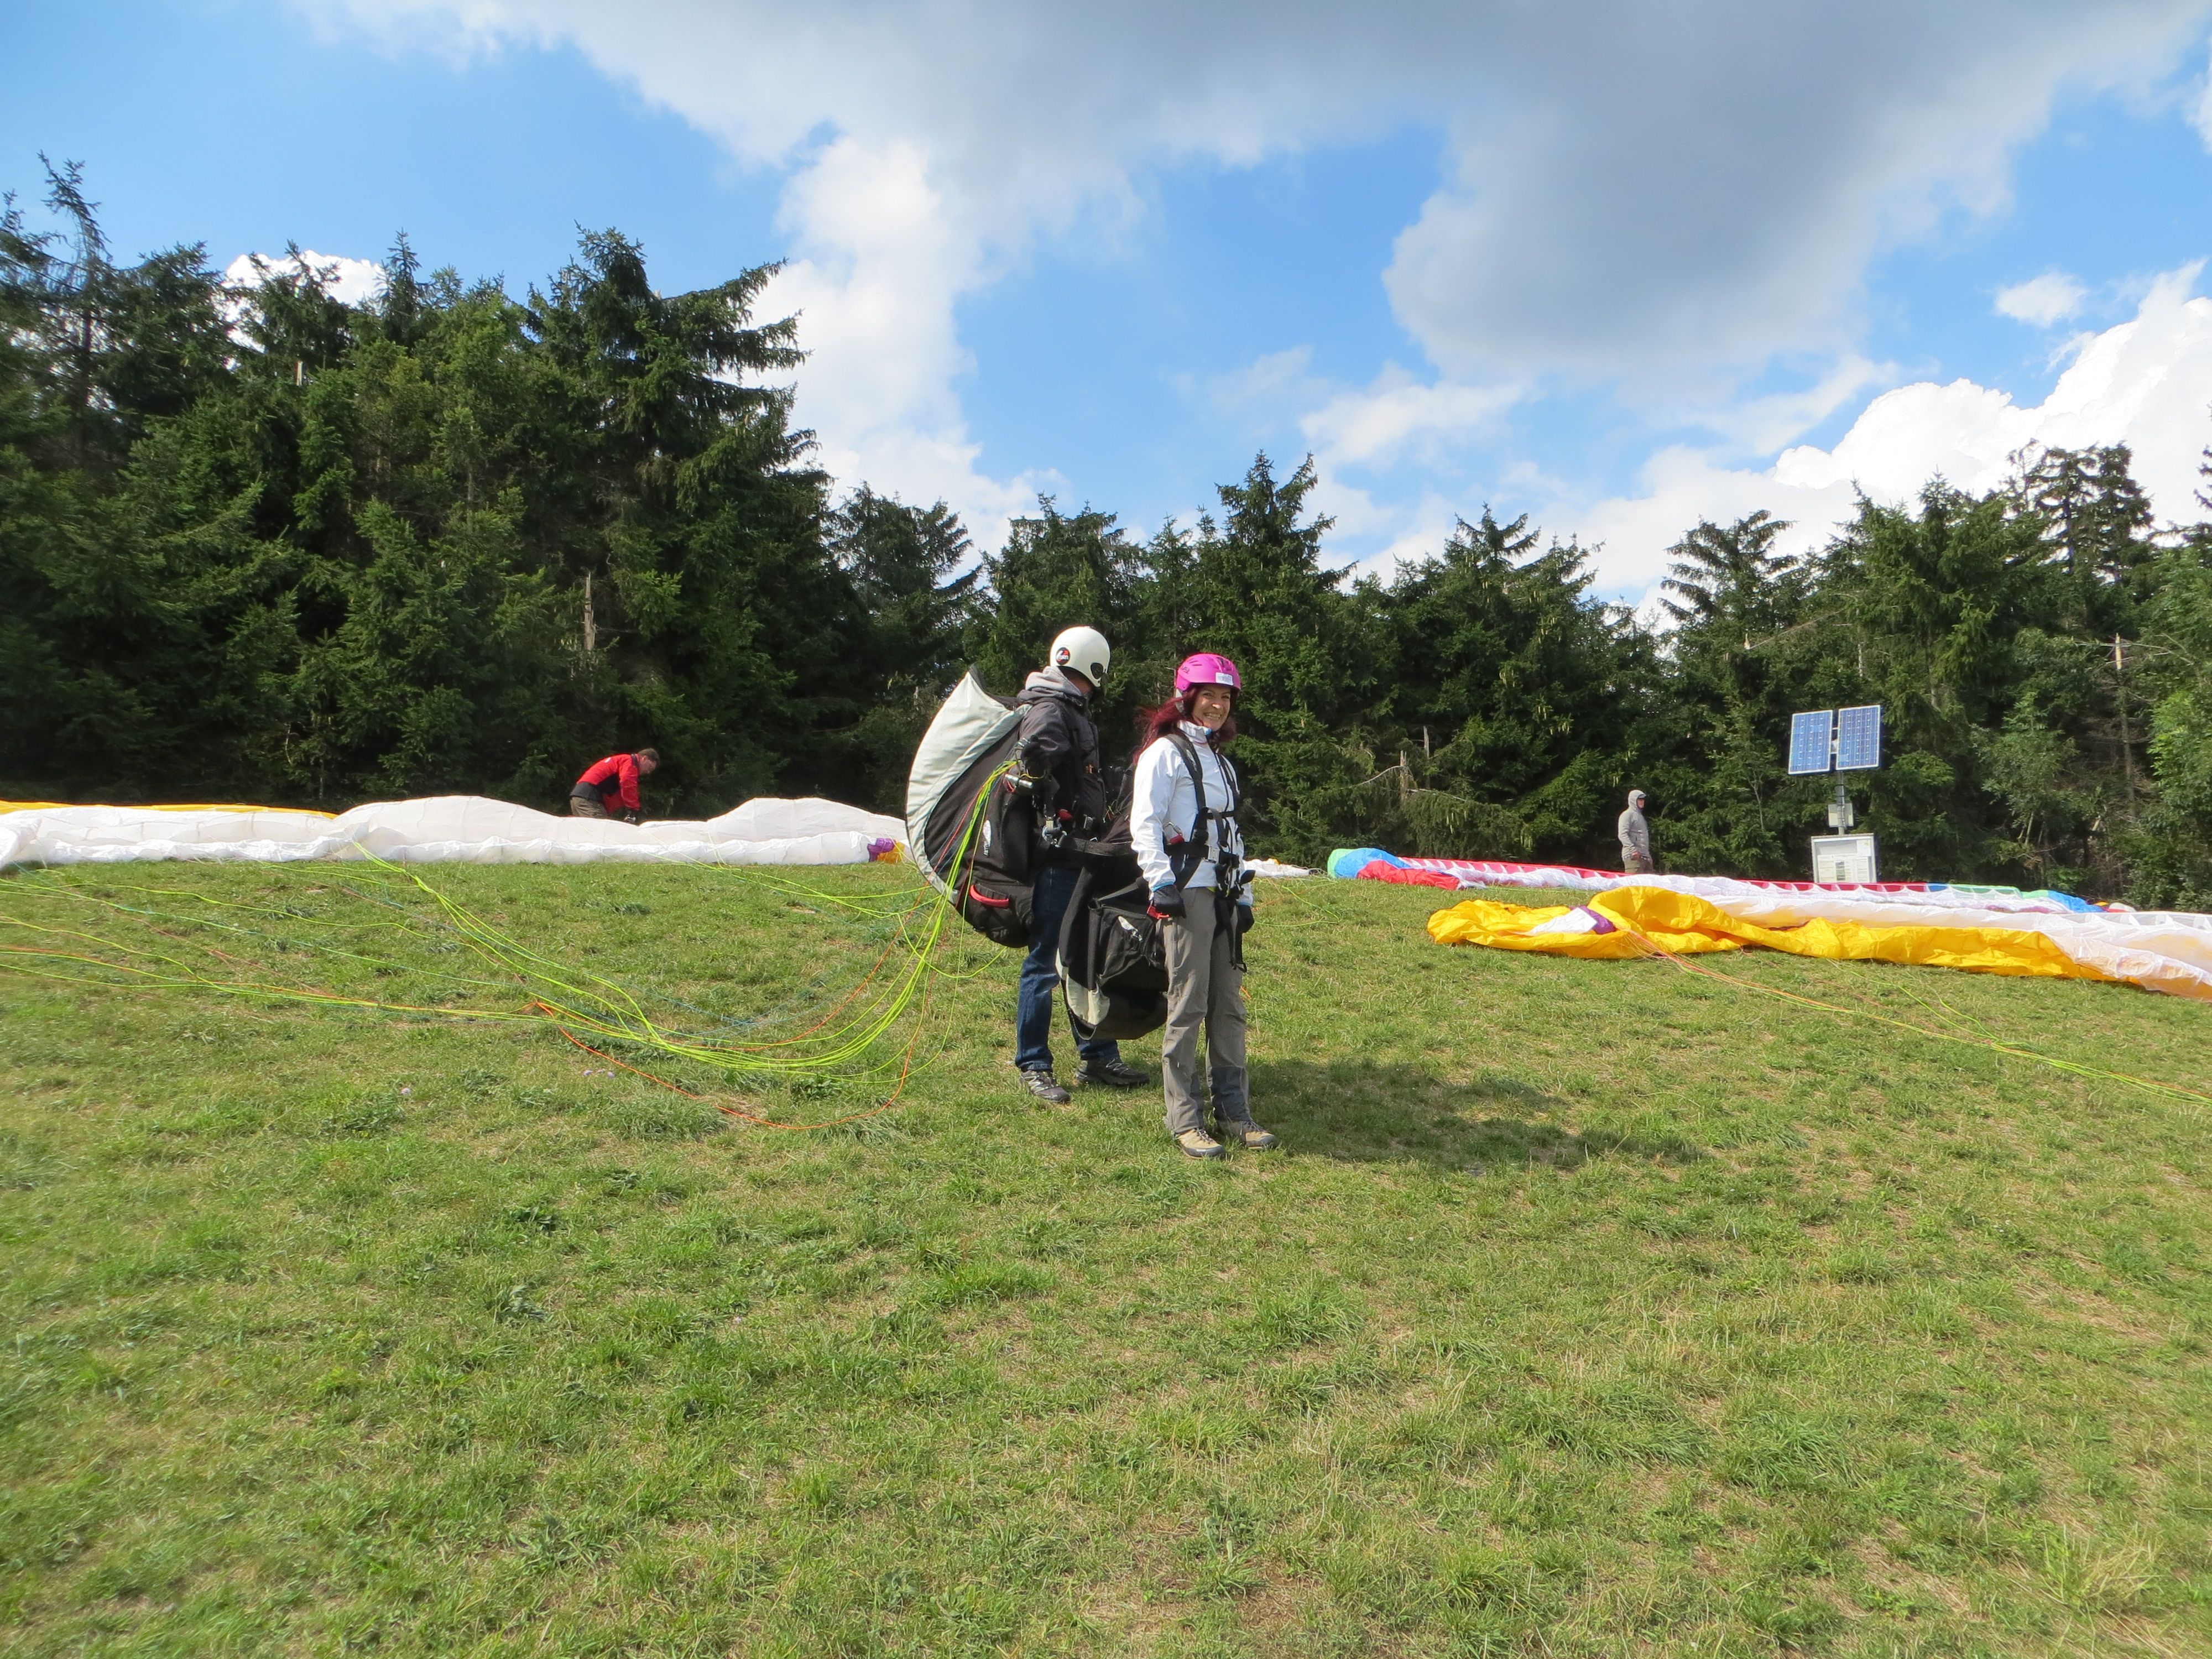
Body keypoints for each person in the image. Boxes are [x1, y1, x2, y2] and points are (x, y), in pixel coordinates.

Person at [1132, 653, 1276, 1160]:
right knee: (1188, 1002)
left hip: (1226, 889)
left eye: (1225, 698)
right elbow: (1145, 822)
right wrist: (1160, 883)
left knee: (1229, 1005)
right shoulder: (1164, 755)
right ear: (1187, 698)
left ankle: (1234, 1111)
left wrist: (1246, 896)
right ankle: (1185, 1117)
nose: (1217, 706)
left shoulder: (1221, 761)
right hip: (1187, 888)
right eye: (1208, 696)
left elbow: (1232, 832)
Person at [1008, 627, 1149, 1104]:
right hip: (1058, 856)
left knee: (1084, 953)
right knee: (1047, 960)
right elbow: (1038, 754)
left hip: (1081, 851)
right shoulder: (1053, 707)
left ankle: (1097, 1056)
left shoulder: (1067, 706)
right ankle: (1033, 1064)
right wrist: (1040, 772)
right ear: (1095, 667)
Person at [571, 748, 659, 822]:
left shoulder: (622, 760)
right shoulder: (631, 763)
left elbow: (617, 795)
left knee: (585, 832)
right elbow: (627, 784)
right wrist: (634, 809)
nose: (648, 772)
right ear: (644, 759)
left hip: (581, 796)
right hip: (590, 797)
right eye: (650, 768)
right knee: (601, 832)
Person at [1618, 787, 1653, 874]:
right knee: (1634, 885)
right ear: (1633, 800)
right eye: (1640, 799)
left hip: (1645, 857)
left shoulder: (1640, 816)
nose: (1642, 802)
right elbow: (1622, 834)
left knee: (1648, 886)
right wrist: (1633, 850)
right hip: (1633, 856)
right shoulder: (1627, 815)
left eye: (1643, 800)